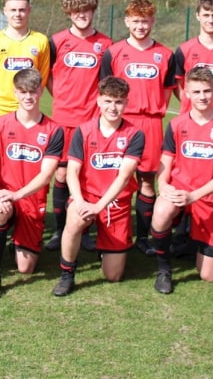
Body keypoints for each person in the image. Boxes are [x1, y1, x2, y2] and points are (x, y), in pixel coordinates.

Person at [52, 77, 145, 297]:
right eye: (108, 101)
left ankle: (106, 249)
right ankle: (67, 273)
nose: (113, 107)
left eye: (119, 102)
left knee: (113, 276)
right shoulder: (83, 131)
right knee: (75, 216)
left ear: (126, 103)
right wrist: (81, 201)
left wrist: (100, 206)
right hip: (86, 196)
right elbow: (72, 172)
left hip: (115, 202)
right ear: (98, 101)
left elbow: (124, 177)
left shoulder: (135, 134)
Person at [150, 67, 213, 293]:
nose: (202, 97)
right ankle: (164, 269)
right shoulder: (177, 124)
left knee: (208, 276)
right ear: (187, 92)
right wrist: (163, 186)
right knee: (160, 212)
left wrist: (193, 197)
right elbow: (165, 163)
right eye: (196, 91)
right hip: (180, 189)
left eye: (207, 91)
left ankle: (204, 244)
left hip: (207, 197)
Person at [99, 0, 177, 256]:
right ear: (126, 21)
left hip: (150, 122)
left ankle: (143, 237)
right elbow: (106, 89)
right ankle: (109, 233)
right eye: (135, 21)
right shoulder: (114, 52)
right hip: (121, 121)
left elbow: (167, 91)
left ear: (153, 21)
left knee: (146, 181)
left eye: (145, 21)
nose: (141, 26)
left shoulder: (165, 54)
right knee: (113, 178)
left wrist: (153, 109)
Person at [0, 68, 64, 299]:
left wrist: (16, 195)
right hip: (4, 194)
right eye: (23, 91)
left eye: (32, 91)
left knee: (26, 268)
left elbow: (46, 175)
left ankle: (16, 242)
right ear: (15, 93)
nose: (28, 97)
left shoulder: (54, 130)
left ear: (41, 91)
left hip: (30, 198)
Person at [45, 0, 112, 253]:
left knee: (88, 176)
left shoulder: (106, 44)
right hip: (63, 119)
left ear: (93, 12)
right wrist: (61, 96)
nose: (81, 15)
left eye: (86, 10)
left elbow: (107, 83)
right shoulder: (57, 41)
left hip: (92, 121)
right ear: (69, 13)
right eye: (76, 11)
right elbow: (47, 75)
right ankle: (61, 230)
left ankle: (85, 230)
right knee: (61, 175)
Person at [0, 0, 50, 120]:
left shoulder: (40, 40)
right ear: (5, 11)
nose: (17, 14)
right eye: (13, 10)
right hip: (0, 110)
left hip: (29, 110)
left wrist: (28, 98)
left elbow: (42, 76)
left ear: (29, 10)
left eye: (22, 10)